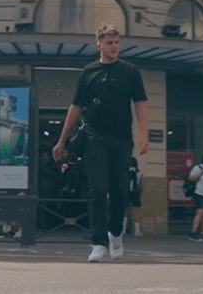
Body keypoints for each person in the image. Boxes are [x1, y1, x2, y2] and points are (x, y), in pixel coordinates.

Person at [52, 22, 150, 263]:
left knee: (118, 192)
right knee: (98, 190)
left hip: (121, 139)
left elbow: (140, 104)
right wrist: (61, 141)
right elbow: (75, 108)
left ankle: (116, 235)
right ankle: (98, 243)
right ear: (99, 45)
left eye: (116, 42)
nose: (114, 46)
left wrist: (144, 134)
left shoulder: (130, 71)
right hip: (94, 138)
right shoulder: (88, 72)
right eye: (109, 43)